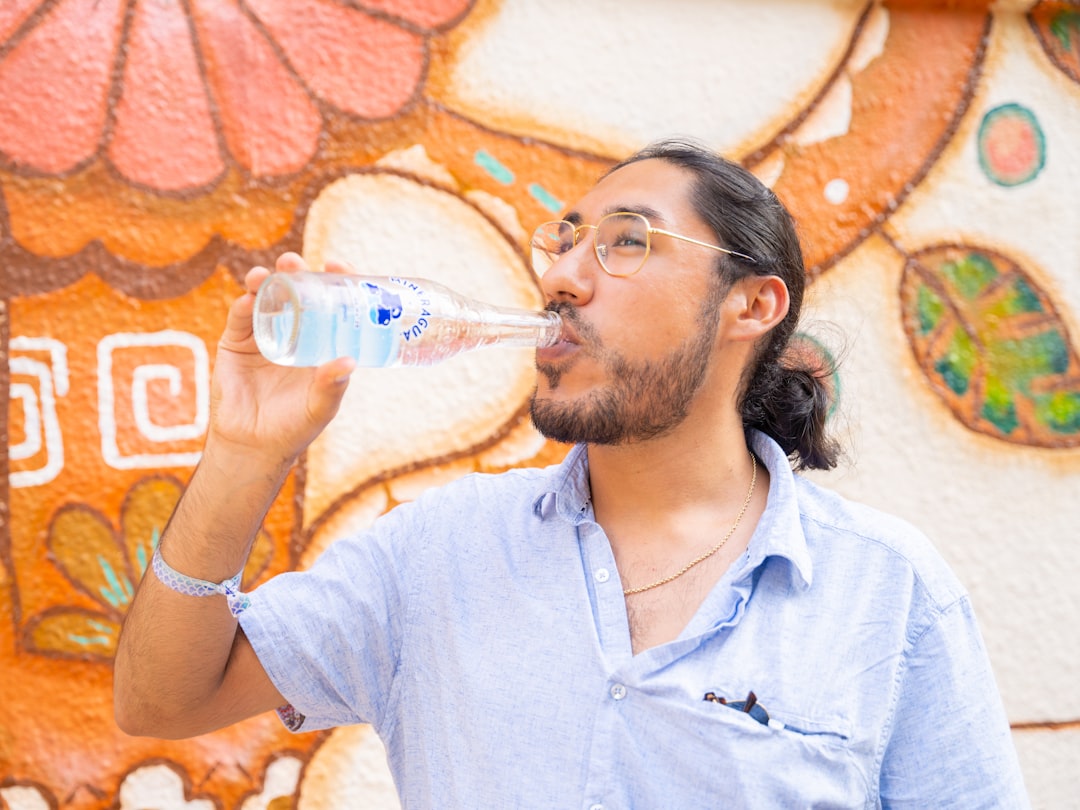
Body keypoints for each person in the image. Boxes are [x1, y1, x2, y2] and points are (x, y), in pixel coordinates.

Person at [114, 139, 1030, 807]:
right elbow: (161, 697)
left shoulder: (887, 591)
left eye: (626, 242)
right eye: (564, 240)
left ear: (752, 304)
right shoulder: (437, 552)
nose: (563, 276)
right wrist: (244, 453)